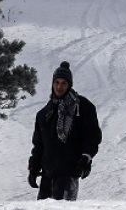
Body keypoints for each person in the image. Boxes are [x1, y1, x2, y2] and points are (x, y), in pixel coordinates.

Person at [28, 61, 103, 201]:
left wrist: (86, 157)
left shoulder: (82, 107)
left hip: (69, 172)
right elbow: (39, 145)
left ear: (69, 85)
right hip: (47, 175)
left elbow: (92, 136)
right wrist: (33, 168)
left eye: (64, 83)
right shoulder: (44, 114)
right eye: (56, 82)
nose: (59, 87)